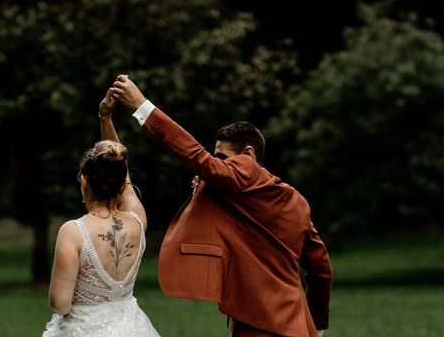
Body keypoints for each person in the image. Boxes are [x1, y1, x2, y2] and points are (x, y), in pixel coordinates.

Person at [110, 74, 332, 337]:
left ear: (249, 155)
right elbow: (321, 269)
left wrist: (142, 106)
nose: (218, 165)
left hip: (258, 326)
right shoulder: (297, 202)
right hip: (300, 327)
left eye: (223, 157)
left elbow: (196, 156)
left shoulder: (242, 176)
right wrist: (316, 327)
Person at [41, 90, 160, 337]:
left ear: (84, 182)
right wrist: (106, 118)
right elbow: (121, 171)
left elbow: (60, 303)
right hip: (132, 329)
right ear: (121, 187)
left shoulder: (73, 232)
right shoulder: (138, 221)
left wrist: (103, 115)